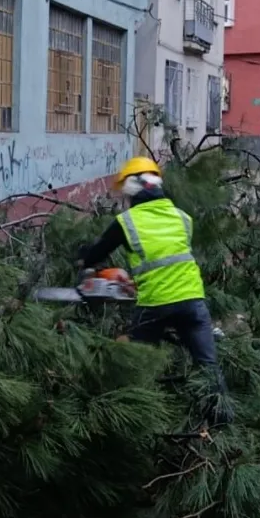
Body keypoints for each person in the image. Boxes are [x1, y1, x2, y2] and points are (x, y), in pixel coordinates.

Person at [75, 156, 225, 391]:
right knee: (209, 368)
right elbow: (169, 260)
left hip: (155, 304)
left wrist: (82, 260)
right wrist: (137, 282)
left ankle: (132, 403)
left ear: (131, 190)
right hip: (192, 301)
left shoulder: (127, 221)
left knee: (134, 362)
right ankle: (219, 411)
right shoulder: (182, 217)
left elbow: (96, 254)